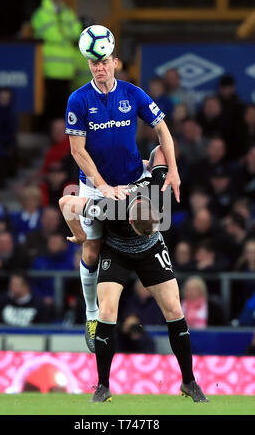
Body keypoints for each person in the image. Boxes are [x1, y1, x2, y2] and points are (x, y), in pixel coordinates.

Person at [59, 145, 208, 403]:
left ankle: (189, 381)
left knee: (174, 309)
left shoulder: (156, 187)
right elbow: (66, 202)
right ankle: (103, 386)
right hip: (117, 250)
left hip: (151, 249)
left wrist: (170, 167)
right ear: (130, 221)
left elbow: (161, 148)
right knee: (107, 312)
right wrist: (81, 234)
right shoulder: (108, 206)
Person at [65, 39, 181, 352]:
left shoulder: (132, 93)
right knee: (91, 251)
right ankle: (91, 315)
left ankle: (154, 268)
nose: (99, 68)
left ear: (115, 61)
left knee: (148, 222)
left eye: (103, 61)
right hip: (95, 183)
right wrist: (102, 186)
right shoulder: (78, 99)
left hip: (132, 180)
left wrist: (174, 170)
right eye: (93, 63)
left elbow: (163, 131)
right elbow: (77, 150)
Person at [31, 0, 82, 122]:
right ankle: (49, 134)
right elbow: (51, 34)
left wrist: (62, 33)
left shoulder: (68, 12)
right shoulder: (41, 13)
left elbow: (77, 31)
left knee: (64, 106)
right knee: (50, 105)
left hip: (67, 70)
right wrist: (66, 34)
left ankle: (61, 137)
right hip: (49, 69)